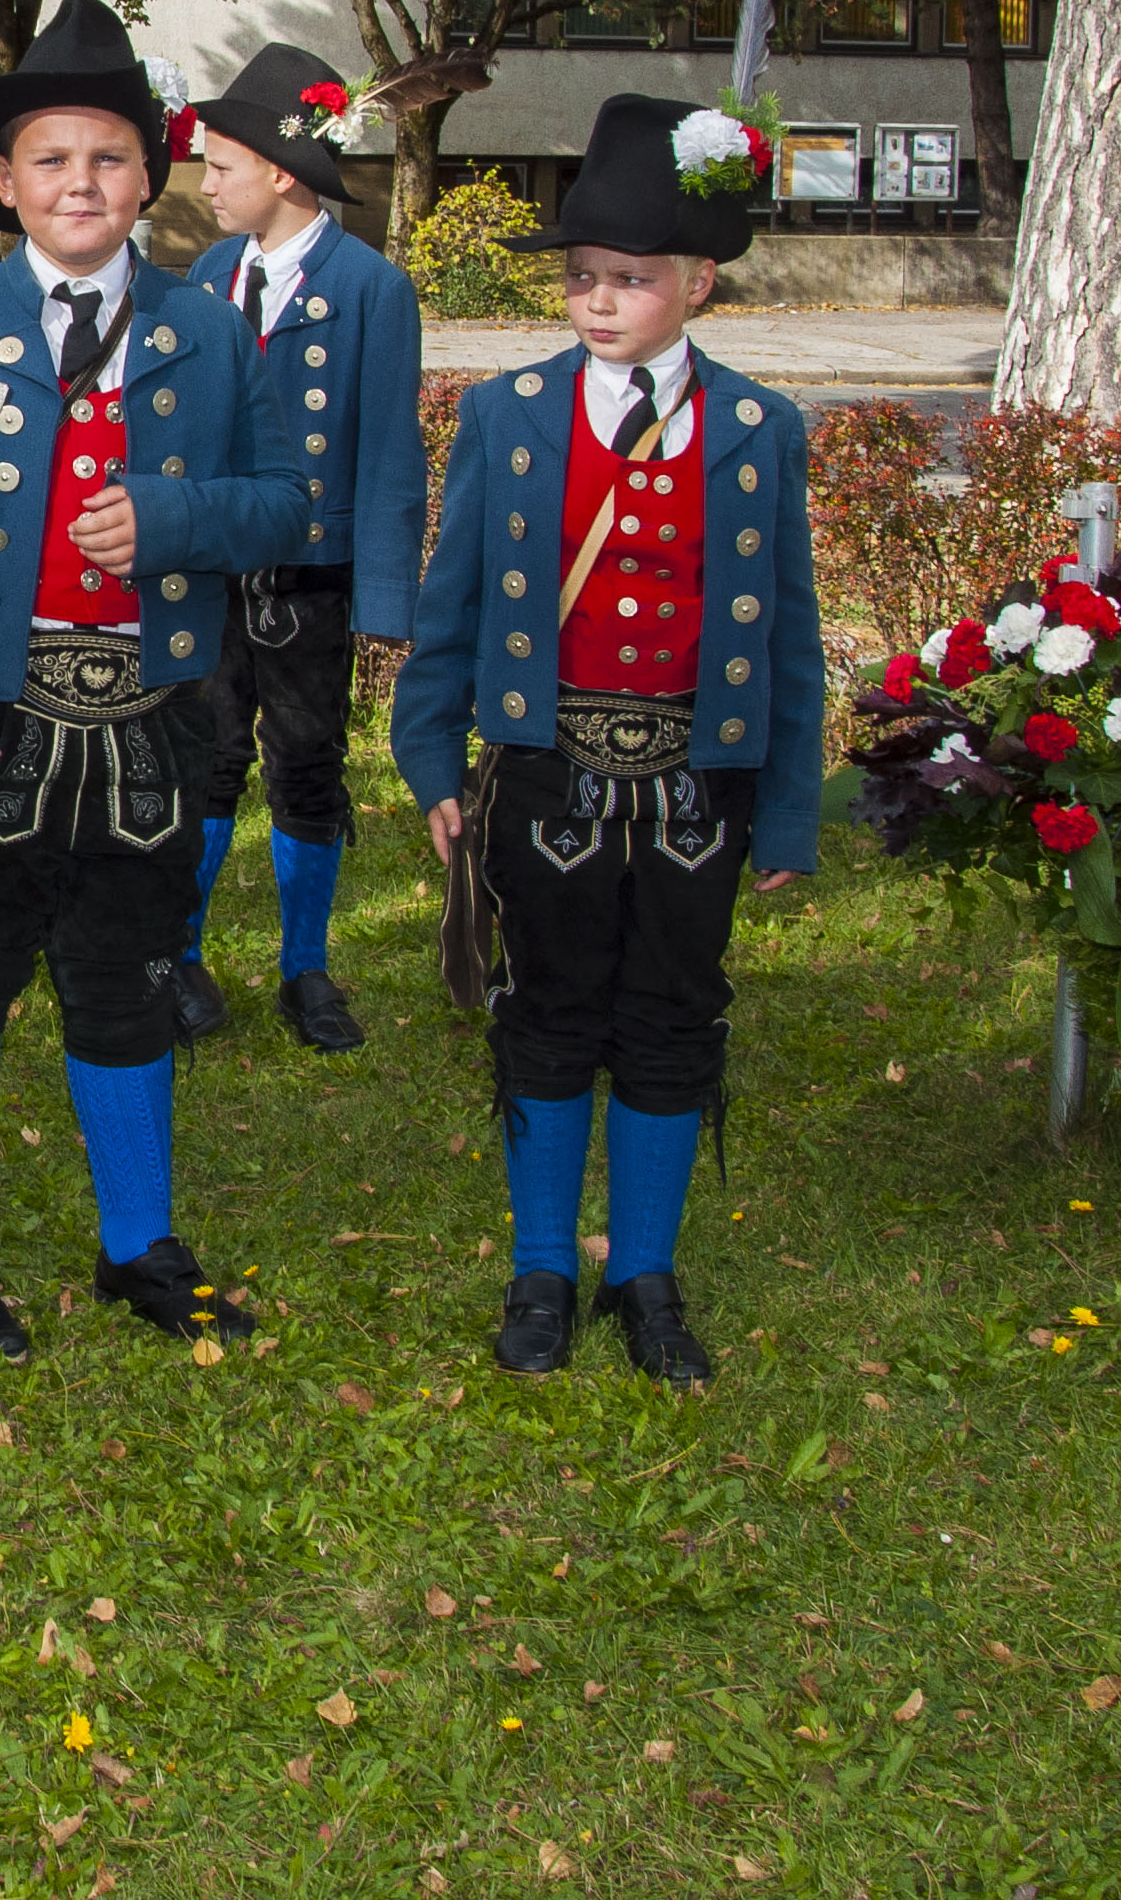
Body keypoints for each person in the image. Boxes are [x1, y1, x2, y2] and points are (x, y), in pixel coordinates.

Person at [0, 0, 307, 1364]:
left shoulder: (212, 330)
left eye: (108, 157)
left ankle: (138, 1244)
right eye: (51, 160)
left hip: (152, 719)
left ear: (150, 174)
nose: (80, 184)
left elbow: (286, 505)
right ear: (5, 180)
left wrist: (178, 519)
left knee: (126, 976)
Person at [392, 92, 821, 1387]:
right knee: (549, 1013)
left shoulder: (758, 432)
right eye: (583, 278)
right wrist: (429, 760)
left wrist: (789, 812)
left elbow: (789, 635)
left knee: (672, 1020)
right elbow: (451, 596)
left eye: (628, 280)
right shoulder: (511, 416)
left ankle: (643, 1271)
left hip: (701, 786)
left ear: (696, 282)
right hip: (548, 775)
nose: (598, 301)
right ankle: (540, 1268)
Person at [176, 46, 426, 1053]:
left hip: (311, 576)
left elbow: (389, 451)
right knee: (205, 761)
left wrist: (382, 604)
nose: (204, 184)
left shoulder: (369, 287)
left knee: (308, 763)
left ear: (281, 170)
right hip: (210, 567)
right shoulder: (206, 272)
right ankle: (182, 957)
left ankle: (304, 966)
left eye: (219, 165)